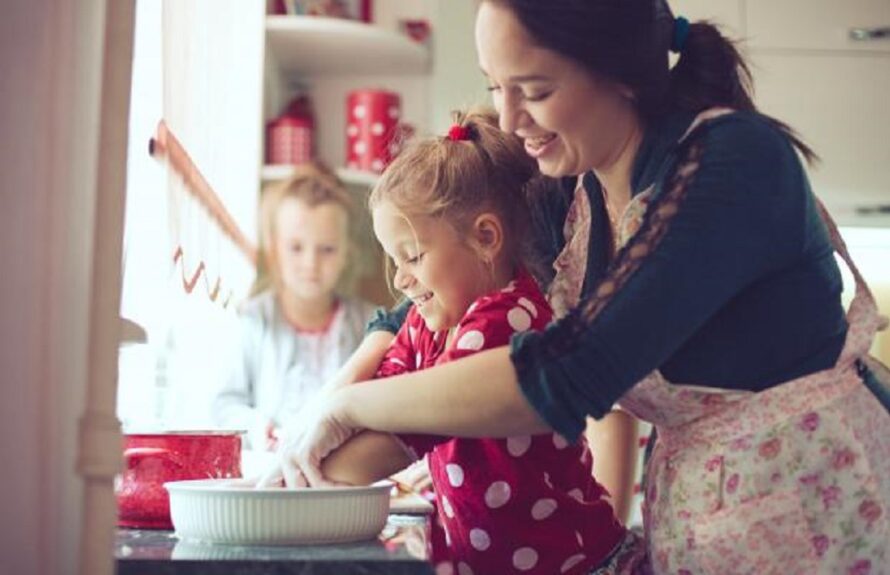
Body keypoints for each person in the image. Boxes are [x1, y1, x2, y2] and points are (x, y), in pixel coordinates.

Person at [266, 1, 890, 572]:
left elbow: (567, 374)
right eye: (495, 87)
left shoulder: (733, 163)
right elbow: (419, 296)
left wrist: (348, 407)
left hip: (818, 508)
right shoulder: (572, 184)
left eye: (533, 90)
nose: (510, 119)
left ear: (619, 73)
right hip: (708, 516)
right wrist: (331, 400)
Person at [314, 109, 637, 575]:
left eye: (413, 257)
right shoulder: (430, 322)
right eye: (394, 261)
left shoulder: (506, 322)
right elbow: (389, 380)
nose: (402, 280)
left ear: (486, 237)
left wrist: (310, 456)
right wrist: (326, 420)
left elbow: (389, 441)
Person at [211, 163, 375, 451]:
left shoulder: (370, 325)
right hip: (272, 469)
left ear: (345, 253)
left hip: (345, 472)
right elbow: (225, 403)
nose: (310, 264)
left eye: (327, 249)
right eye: (296, 248)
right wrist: (257, 427)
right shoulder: (253, 319)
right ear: (274, 250)